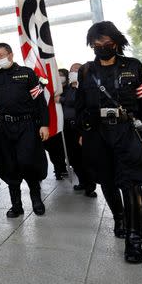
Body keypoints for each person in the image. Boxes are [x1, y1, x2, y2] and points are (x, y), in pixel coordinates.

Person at [76, 21, 142, 263]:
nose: (102, 46)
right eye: (97, 43)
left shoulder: (133, 66)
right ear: (91, 45)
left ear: (116, 42)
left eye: (107, 42)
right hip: (97, 134)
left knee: (131, 183)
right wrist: (82, 130)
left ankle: (134, 242)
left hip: (127, 131)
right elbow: (80, 103)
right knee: (107, 181)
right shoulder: (86, 71)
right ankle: (119, 217)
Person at [0, 43, 50, 218]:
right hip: (4, 127)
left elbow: (39, 100)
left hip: (27, 126)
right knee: (9, 165)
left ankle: (36, 199)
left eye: (1, 55)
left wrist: (44, 124)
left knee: (28, 161)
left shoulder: (27, 73)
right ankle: (16, 206)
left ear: (10, 55)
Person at [61, 64, 96, 197]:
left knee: (86, 157)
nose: (72, 73)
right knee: (73, 158)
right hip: (68, 127)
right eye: (70, 70)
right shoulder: (68, 88)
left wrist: (63, 100)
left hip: (82, 128)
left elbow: (78, 102)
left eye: (76, 70)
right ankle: (82, 182)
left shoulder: (87, 87)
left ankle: (90, 186)